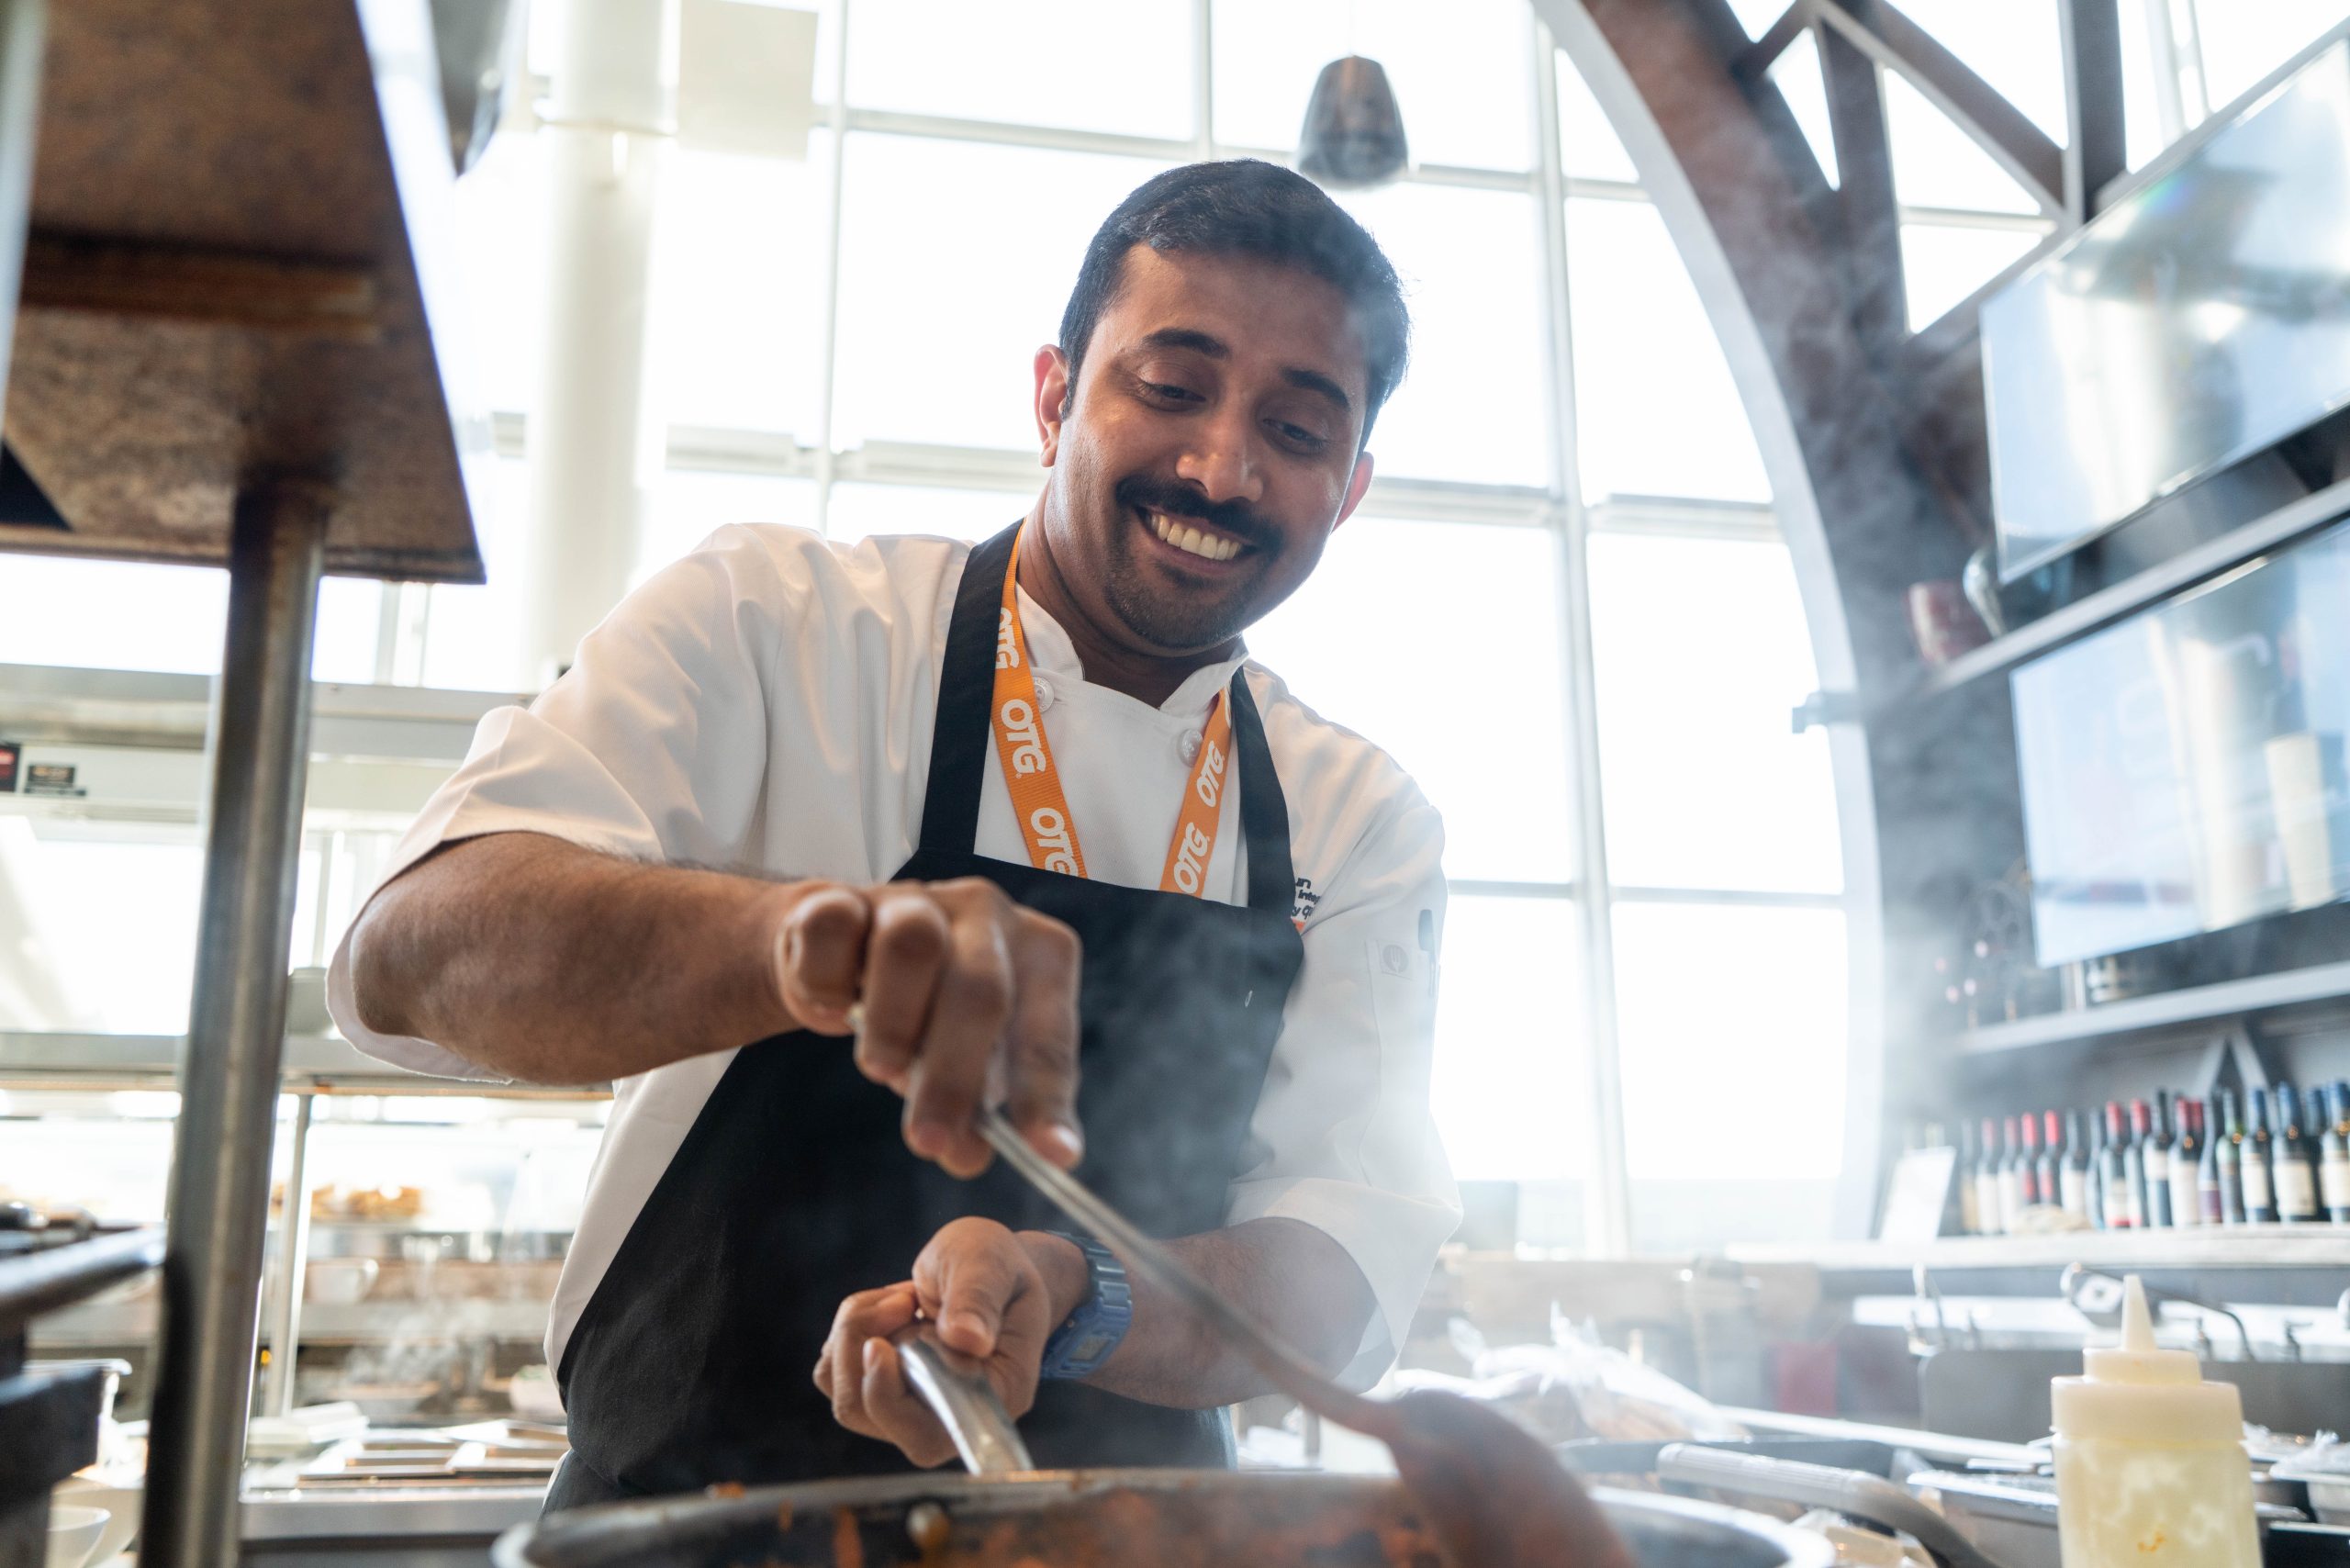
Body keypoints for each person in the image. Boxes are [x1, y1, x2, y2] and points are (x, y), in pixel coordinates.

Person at [331, 159, 1459, 1506]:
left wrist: (1073, 1289)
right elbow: (406, 955)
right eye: (1170, 388)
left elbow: (1338, 1261)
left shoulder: (1357, 817)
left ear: (1349, 488)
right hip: (697, 1534)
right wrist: (797, 944)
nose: (1221, 466)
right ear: (1055, 397)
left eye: (1297, 429)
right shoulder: (776, 627)